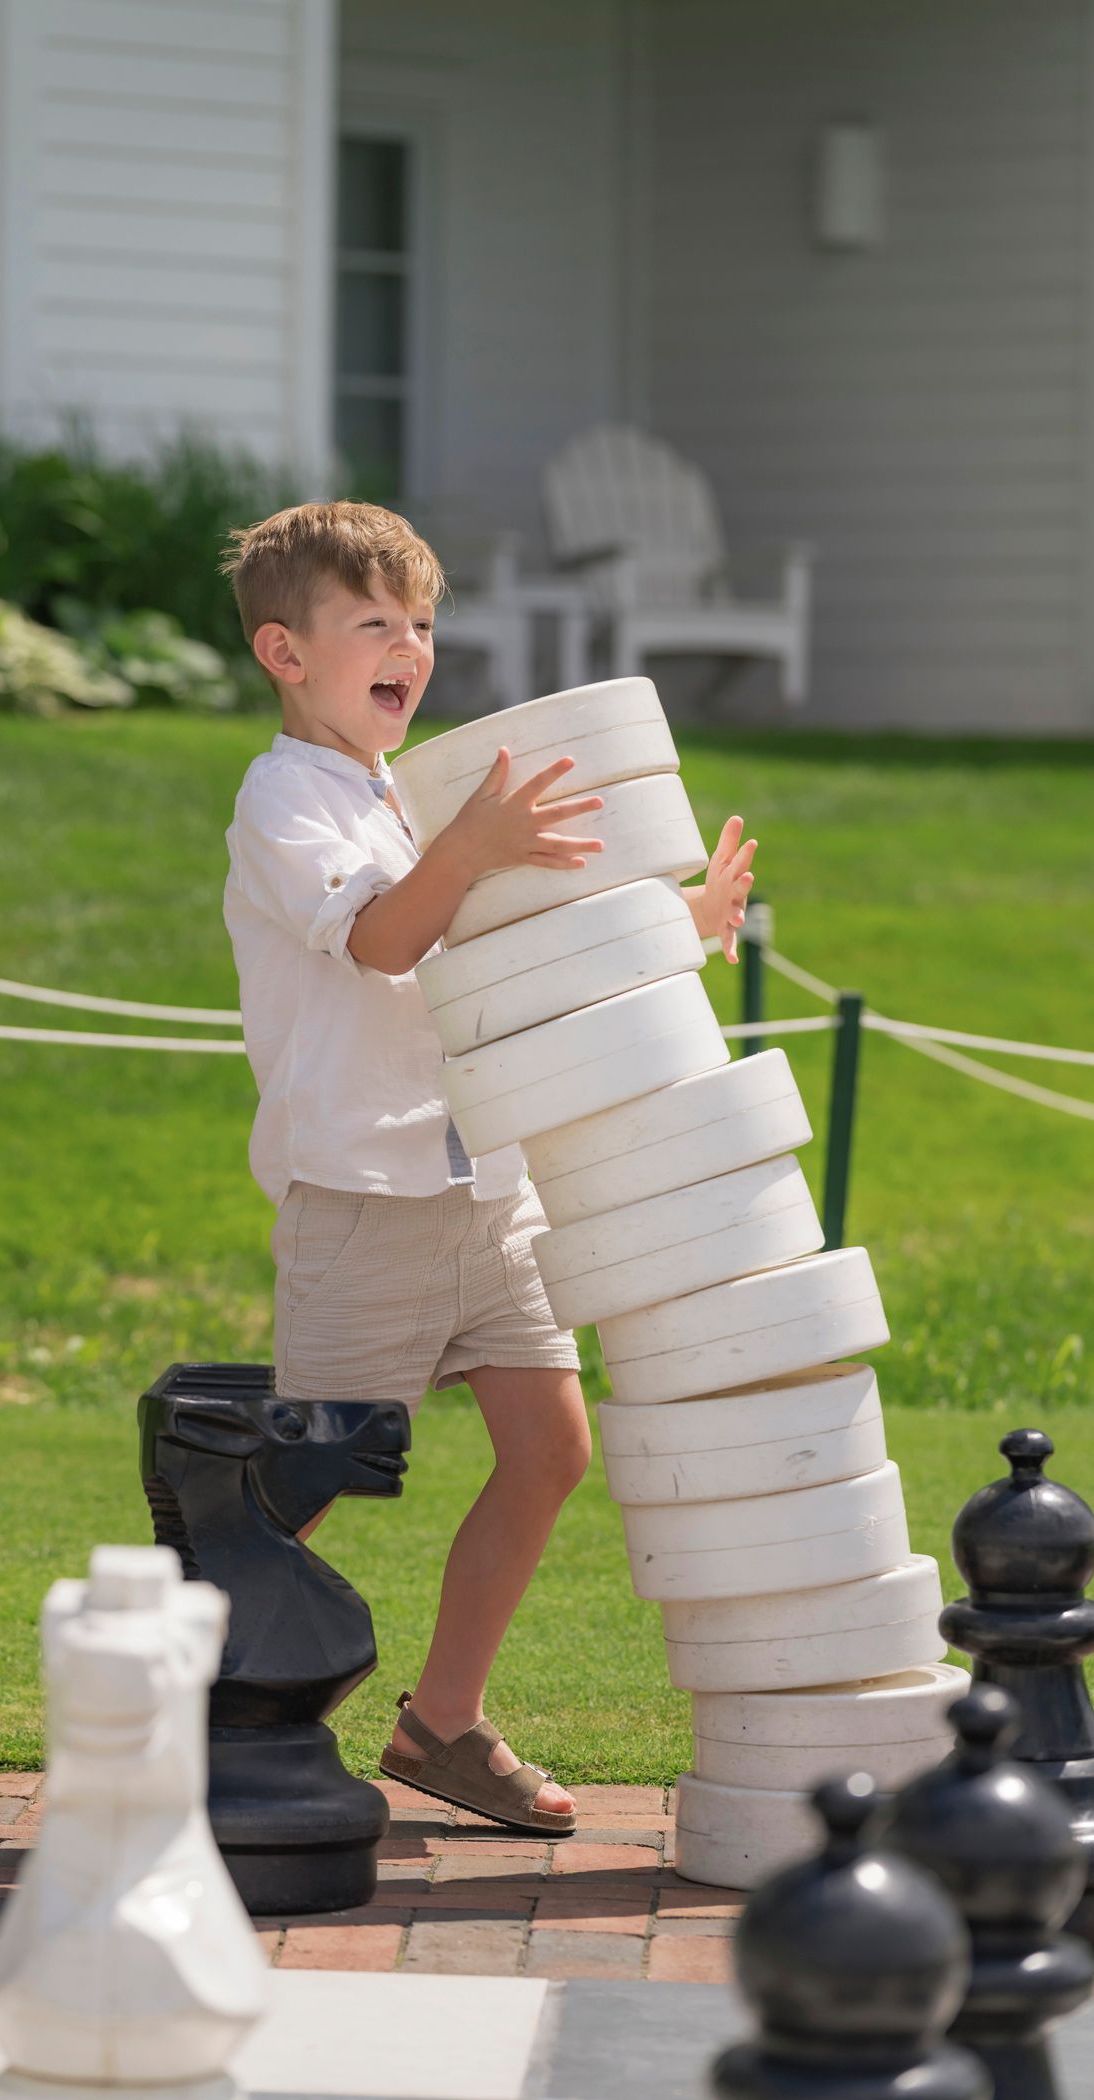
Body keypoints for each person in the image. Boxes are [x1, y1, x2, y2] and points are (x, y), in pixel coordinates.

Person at [220, 500, 756, 1833]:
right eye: (373, 625)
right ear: (285, 653)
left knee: (550, 1448)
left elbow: (524, 955)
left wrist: (680, 929)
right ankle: (195, 1722)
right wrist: (473, 849)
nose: (410, 645)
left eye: (422, 623)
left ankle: (441, 1725)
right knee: (304, 1485)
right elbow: (389, 941)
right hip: (363, 1201)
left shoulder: (419, 795)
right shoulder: (286, 800)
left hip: (486, 1182)